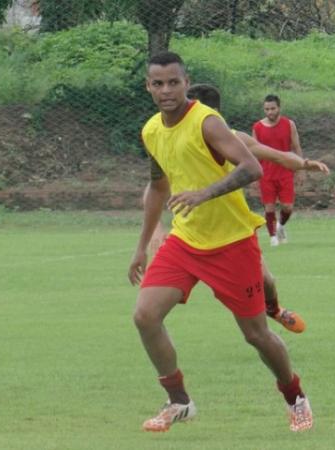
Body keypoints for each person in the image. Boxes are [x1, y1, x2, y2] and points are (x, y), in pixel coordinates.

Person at [129, 52, 312, 433]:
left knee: (256, 335)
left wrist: (204, 194)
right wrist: (142, 244)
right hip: (187, 240)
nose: (165, 90)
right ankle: (179, 402)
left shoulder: (207, 123)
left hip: (231, 244)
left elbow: (252, 167)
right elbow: (158, 186)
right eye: (157, 83)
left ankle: (295, 397)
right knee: (145, 315)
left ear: (185, 82)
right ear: (148, 86)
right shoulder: (151, 131)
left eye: (173, 82)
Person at [145, 83, 330, 333]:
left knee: (267, 281)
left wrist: (305, 163)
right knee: (153, 304)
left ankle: (274, 310)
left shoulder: (233, 139)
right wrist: (157, 229)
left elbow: (276, 155)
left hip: (233, 232)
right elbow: (154, 189)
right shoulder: (171, 138)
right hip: (189, 235)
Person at [252, 94, 303, 246]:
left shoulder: (289, 124)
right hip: (266, 173)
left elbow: (296, 147)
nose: (270, 112)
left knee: (288, 207)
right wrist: (254, 174)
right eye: (267, 109)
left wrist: (300, 169)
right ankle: (273, 237)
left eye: (273, 108)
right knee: (269, 207)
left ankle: (281, 225)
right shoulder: (257, 127)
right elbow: (253, 152)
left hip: (285, 171)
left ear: (279, 108)